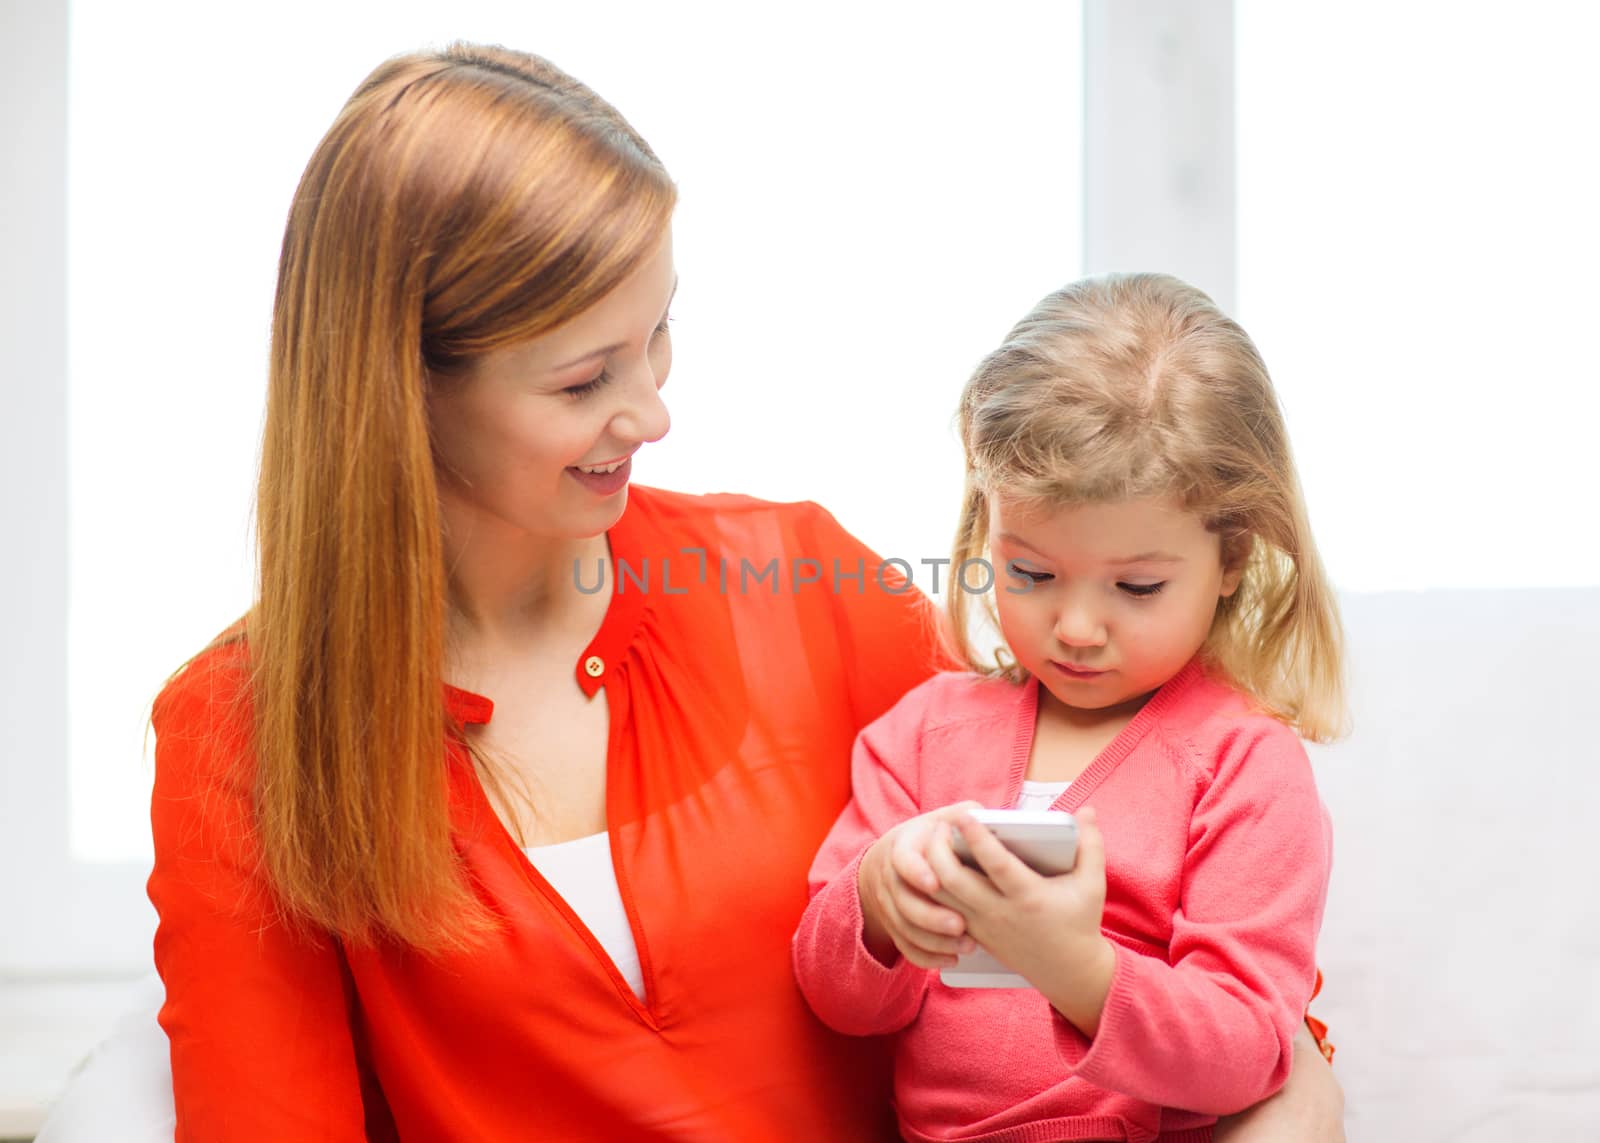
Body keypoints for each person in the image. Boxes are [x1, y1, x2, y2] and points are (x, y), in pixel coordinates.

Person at [108, 43, 1346, 1142]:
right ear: (402, 388)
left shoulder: (802, 582)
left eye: (658, 338)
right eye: (584, 377)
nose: (650, 411)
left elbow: (1168, 913)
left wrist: (1293, 1100)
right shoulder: (241, 734)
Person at [792, 273, 1345, 1142]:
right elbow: (836, 1001)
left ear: (1232, 556)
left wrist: (1078, 970)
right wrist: (878, 898)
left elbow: (1249, 1050)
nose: (1078, 627)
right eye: (1032, 574)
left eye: (1136, 585)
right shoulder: (925, 733)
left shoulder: (1242, 763)